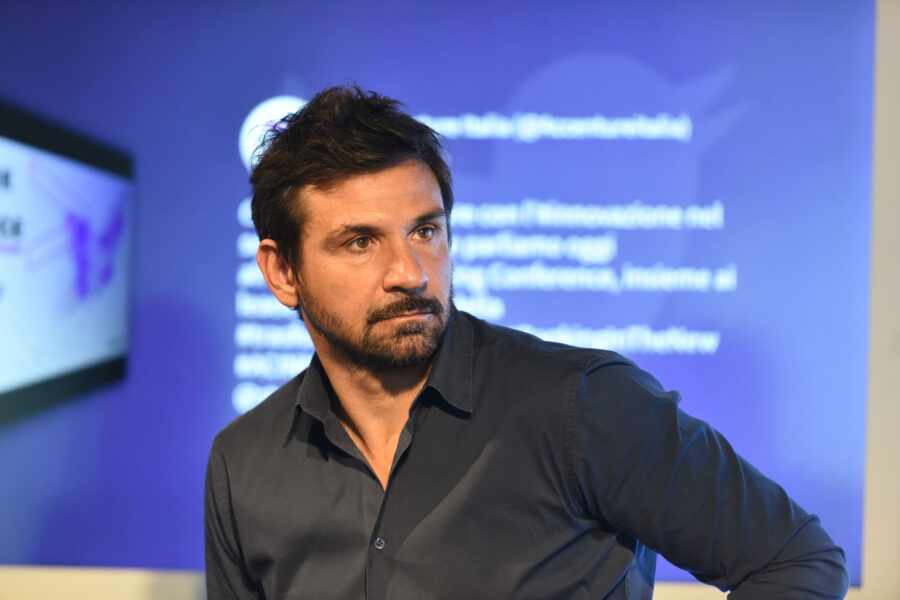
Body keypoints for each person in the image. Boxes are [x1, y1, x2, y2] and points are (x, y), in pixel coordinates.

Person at [205, 84, 849, 599]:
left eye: (425, 231)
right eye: (361, 242)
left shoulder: (583, 405)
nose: (410, 272)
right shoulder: (243, 464)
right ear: (282, 272)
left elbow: (796, 561)